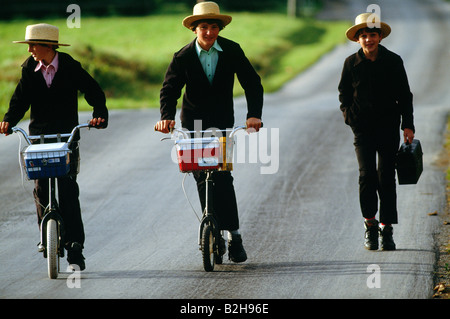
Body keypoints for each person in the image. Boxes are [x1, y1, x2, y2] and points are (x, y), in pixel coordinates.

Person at [154, 2, 263, 262]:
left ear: (220, 28)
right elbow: (169, 90)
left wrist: (253, 115)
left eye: (214, 27)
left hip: (223, 123)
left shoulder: (232, 50)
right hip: (193, 125)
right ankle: (212, 228)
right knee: (202, 177)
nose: (209, 32)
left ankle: (234, 236)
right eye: (204, 27)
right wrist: (166, 117)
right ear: (194, 29)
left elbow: (252, 83)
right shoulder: (183, 57)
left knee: (223, 179)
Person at [0, 23, 108, 270]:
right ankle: (45, 236)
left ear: (48, 46)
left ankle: (75, 248)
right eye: (28, 46)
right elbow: (20, 100)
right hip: (39, 137)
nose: (30, 50)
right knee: (41, 189)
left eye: (33, 45)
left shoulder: (69, 66)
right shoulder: (29, 68)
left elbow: (93, 90)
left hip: (66, 136)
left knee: (68, 190)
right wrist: (8, 120)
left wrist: (99, 114)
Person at [338, 13, 415, 250]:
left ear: (380, 37)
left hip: (388, 127)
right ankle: (370, 225)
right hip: (362, 129)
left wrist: (407, 125)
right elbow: (344, 95)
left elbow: (405, 95)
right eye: (364, 35)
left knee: (386, 178)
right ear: (358, 39)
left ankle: (387, 228)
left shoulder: (393, 61)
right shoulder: (351, 63)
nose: (368, 39)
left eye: (372, 34)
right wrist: (350, 117)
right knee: (366, 176)